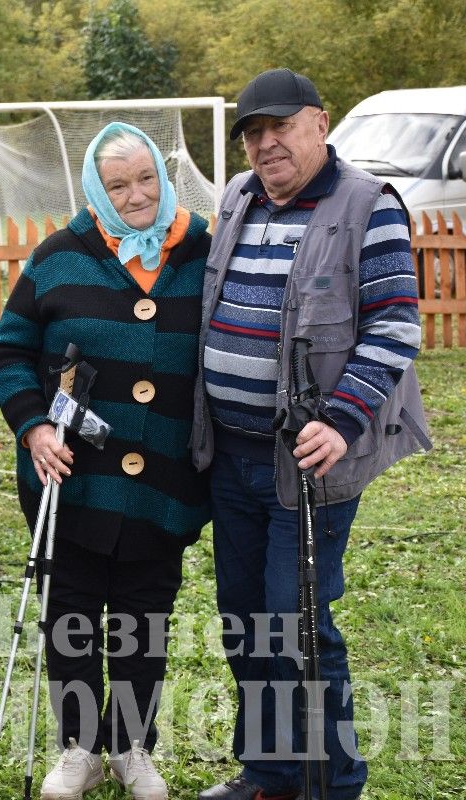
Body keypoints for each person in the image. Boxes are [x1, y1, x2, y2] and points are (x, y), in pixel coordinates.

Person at [191, 69, 430, 800]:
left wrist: (339, 418)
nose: (267, 144)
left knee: (294, 627)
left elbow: (395, 325)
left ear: (319, 123)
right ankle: (270, 772)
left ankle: (334, 782)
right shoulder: (236, 197)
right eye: (254, 133)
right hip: (229, 456)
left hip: (308, 458)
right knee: (243, 620)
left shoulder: (369, 205)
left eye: (280, 127)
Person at [0, 121, 211, 800]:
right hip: (72, 480)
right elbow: (8, 351)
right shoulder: (60, 255)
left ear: (164, 177)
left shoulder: (204, 250)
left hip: (165, 476)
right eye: (118, 184)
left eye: (146, 178)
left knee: (146, 615)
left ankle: (132, 749)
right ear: (95, 188)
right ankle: (81, 749)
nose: (136, 194)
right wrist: (32, 428)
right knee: (74, 615)